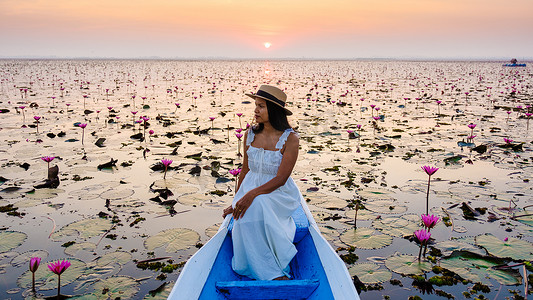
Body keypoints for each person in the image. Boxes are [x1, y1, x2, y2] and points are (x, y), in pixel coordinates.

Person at [222, 84, 301, 281]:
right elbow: (245, 170)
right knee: (245, 213)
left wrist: (251, 195)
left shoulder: (290, 139)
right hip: (251, 186)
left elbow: (281, 179)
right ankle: (250, 264)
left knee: (258, 204)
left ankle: (271, 271)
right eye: (256, 105)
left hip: (278, 192)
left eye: (262, 106)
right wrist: (237, 200)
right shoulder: (250, 134)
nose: (255, 110)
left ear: (273, 111)